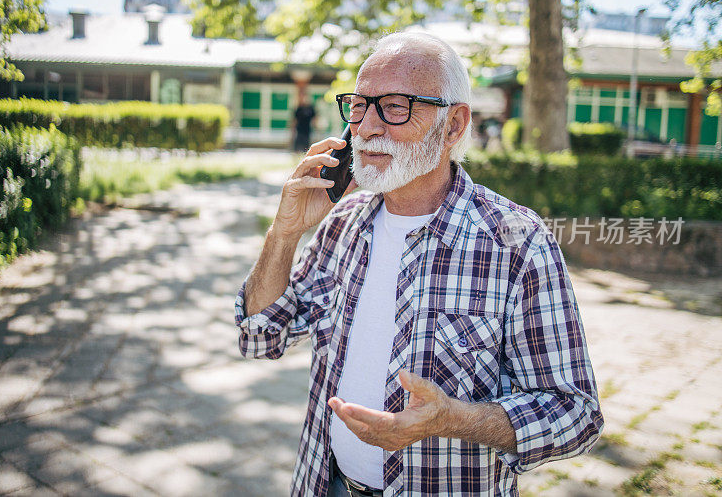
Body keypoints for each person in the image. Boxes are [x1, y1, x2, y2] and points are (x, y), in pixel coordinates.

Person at [234, 31, 603, 497]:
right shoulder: (342, 222)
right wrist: (284, 234)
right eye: (360, 105)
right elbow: (260, 337)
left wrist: (455, 420)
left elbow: (576, 414)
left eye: (394, 107)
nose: (367, 127)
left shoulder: (517, 243)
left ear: (453, 125)